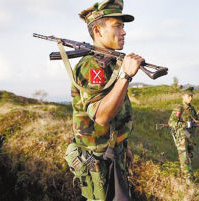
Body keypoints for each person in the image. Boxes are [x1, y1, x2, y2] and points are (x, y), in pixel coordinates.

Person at [64, 0, 144, 200]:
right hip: (99, 160)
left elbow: (116, 113)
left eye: (123, 26)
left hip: (112, 152)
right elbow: (101, 116)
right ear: (98, 31)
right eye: (117, 26)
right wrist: (126, 76)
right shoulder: (92, 66)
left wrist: (123, 146)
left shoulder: (108, 63)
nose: (124, 32)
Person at [168, 87, 199, 182]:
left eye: (192, 96)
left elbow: (195, 120)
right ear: (183, 96)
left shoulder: (192, 109)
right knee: (184, 159)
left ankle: (188, 177)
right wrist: (186, 124)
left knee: (189, 158)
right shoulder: (179, 108)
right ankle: (188, 180)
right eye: (189, 96)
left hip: (190, 138)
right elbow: (171, 123)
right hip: (181, 137)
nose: (191, 98)